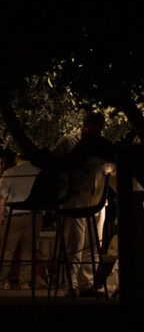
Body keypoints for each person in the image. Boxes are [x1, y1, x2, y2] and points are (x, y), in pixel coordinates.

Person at [54, 110, 115, 296]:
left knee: (94, 244)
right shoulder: (68, 142)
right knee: (75, 244)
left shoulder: (101, 145)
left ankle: (86, 284)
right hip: (75, 201)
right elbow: (57, 169)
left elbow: (111, 169)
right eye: (97, 127)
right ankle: (71, 285)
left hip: (97, 202)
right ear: (87, 125)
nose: (99, 131)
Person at [0, 153, 43, 290]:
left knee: (7, 250)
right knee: (29, 251)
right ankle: (25, 282)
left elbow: (1, 195)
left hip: (14, 216)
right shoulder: (39, 172)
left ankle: (0, 280)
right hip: (34, 215)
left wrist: (0, 216)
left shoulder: (10, 172)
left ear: (17, 158)